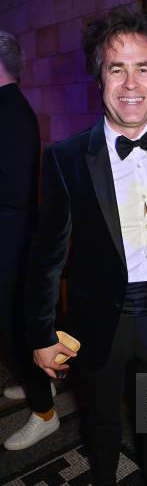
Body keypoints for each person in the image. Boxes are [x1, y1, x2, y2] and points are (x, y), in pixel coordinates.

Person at [24, 7, 147, 486]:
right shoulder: (67, 157)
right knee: (100, 415)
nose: (130, 83)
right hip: (100, 318)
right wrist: (39, 335)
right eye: (116, 68)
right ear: (99, 76)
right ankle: (102, 483)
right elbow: (45, 256)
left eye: (142, 68)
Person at [0, 31, 57, 451]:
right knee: (14, 325)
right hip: (9, 233)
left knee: (17, 326)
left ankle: (45, 413)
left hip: (12, 237)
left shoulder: (11, 110)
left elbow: (17, 187)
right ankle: (37, 384)